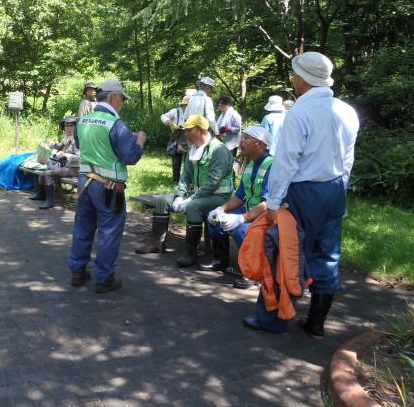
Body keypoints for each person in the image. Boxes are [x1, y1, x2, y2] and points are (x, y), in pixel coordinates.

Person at [243, 52, 359, 338]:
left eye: (295, 74)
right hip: (334, 188)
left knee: (284, 254)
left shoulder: (300, 113)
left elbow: (286, 163)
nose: (293, 79)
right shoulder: (346, 110)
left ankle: (272, 320)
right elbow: (348, 158)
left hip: (303, 191)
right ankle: (316, 323)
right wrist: (339, 193)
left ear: (302, 79)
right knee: (327, 254)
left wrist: (272, 203)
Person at [69, 79, 146, 293]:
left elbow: (81, 143)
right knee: (109, 231)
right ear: (114, 97)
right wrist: (140, 140)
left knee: (83, 227)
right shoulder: (116, 124)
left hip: (85, 182)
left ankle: (78, 272)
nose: (123, 104)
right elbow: (130, 156)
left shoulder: (83, 121)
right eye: (122, 99)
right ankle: (104, 278)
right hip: (108, 188)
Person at [134, 115, 233, 266]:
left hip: (219, 196)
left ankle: (190, 251)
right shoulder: (193, 149)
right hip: (200, 194)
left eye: (189, 130)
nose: (185, 133)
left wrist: (190, 200)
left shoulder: (219, 150)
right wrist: (179, 195)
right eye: (185, 130)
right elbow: (186, 175)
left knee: (193, 206)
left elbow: (213, 182)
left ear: (201, 130)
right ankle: (156, 243)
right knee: (164, 201)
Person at [205, 126, 273, 288]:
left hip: (266, 215)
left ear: (260, 143)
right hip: (250, 211)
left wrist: (241, 218)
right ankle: (220, 260)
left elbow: (268, 203)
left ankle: (252, 273)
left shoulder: (272, 166)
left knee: (243, 230)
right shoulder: (250, 165)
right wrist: (221, 209)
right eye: (242, 137)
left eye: (246, 138)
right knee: (214, 219)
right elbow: (239, 196)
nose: (241, 141)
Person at [30, 115, 80, 209]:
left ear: (75, 127)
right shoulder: (67, 137)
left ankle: (50, 201)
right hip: (65, 166)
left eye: (71, 126)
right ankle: (41, 194)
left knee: (48, 174)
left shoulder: (77, 139)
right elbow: (61, 146)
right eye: (66, 125)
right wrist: (54, 145)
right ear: (64, 127)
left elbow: (80, 157)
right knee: (42, 173)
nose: (68, 128)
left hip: (74, 169)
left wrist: (66, 155)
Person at [161, 89, 195, 183]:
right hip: (177, 136)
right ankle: (176, 179)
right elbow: (163, 116)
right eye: (185, 105)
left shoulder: (193, 113)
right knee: (176, 160)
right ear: (183, 105)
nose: (186, 107)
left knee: (189, 159)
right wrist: (169, 122)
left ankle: (188, 179)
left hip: (189, 137)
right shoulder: (175, 111)